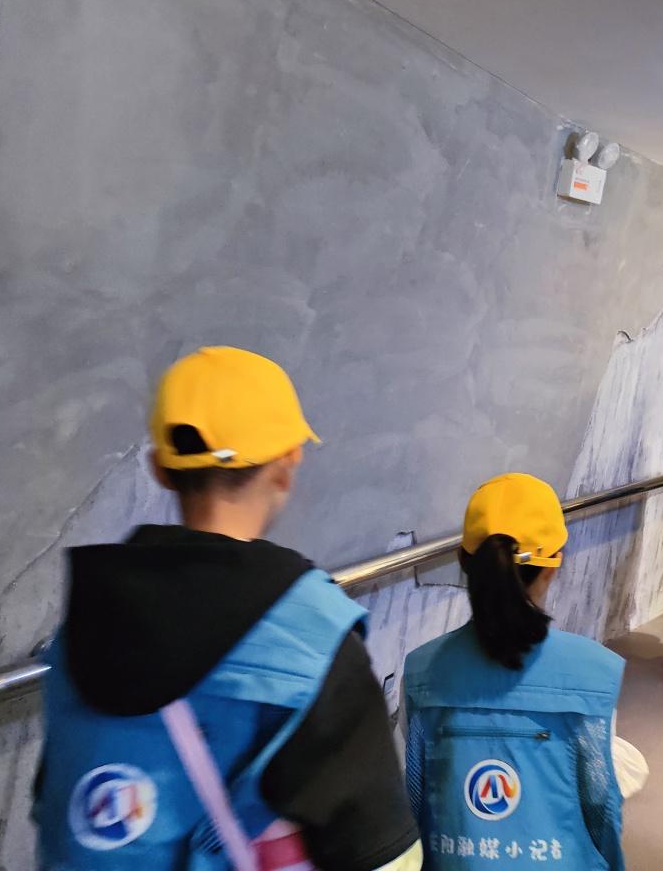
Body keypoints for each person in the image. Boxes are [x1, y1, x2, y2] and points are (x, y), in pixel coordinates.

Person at [33, 347, 421, 870]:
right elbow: (381, 856)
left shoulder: (81, 627)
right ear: (287, 464)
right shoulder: (312, 639)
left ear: (161, 471)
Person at [404, 473, 625, 870]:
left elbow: (416, 797)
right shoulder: (595, 673)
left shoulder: (422, 671)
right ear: (554, 565)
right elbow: (601, 807)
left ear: (463, 561)